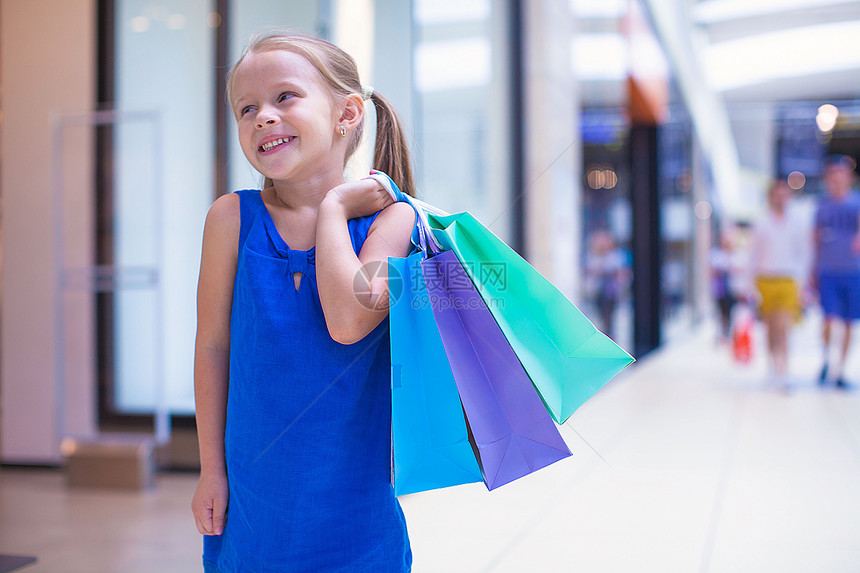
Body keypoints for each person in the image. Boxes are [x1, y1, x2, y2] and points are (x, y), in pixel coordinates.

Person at [191, 32, 416, 572]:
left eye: (285, 97)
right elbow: (213, 347)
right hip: (253, 500)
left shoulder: (395, 219)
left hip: (355, 506)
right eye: (247, 108)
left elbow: (348, 320)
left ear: (347, 114)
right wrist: (209, 468)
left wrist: (335, 208)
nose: (263, 116)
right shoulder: (230, 218)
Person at [749, 179, 811, 389]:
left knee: (784, 326)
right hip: (765, 280)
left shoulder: (797, 222)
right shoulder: (761, 222)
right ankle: (773, 366)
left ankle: (784, 369)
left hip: (788, 279)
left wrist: (803, 282)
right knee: (770, 327)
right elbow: (753, 255)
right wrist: (749, 285)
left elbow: (804, 252)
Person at [812, 154, 860, 389]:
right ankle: (826, 360)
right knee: (828, 319)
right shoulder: (822, 206)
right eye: (832, 175)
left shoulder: (856, 204)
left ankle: (840, 369)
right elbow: (815, 238)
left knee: (850, 322)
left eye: (840, 174)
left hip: (852, 270)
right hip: (828, 270)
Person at [709, 227, 743, 343]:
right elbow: (712, 271)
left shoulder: (736, 254)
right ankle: (723, 334)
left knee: (732, 313)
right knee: (722, 313)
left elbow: (740, 269)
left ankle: (729, 334)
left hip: (733, 289)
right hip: (721, 290)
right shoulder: (716, 254)